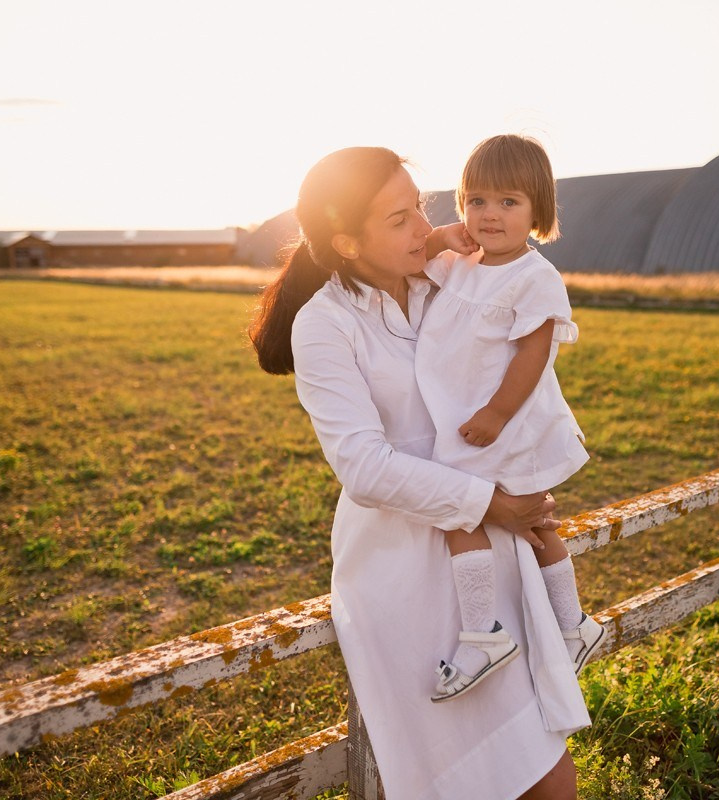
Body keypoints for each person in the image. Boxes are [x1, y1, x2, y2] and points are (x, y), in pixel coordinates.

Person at [249, 146, 590, 799]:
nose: (424, 226)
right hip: (403, 561)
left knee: (546, 764)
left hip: (488, 551)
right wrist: (494, 503)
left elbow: (519, 348)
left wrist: (514, 488)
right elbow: (364, 467)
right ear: (347, 242)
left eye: (422, 208)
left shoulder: (449, 276)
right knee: (461, 775)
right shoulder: (325, 324)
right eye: (400, 218)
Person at [418, 135, 605, 704]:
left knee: (466, 512)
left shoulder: (534, 277)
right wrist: (436, 236)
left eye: (508, 202)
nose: (489, 215)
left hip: (508, 420)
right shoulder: (461, 264)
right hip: (472, 417)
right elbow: (413, 258)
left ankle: (486, 635)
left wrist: (497, 415)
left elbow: (533, 355)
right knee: (528, 521)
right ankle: (576, 627)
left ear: (539, 211)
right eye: (476, 201)